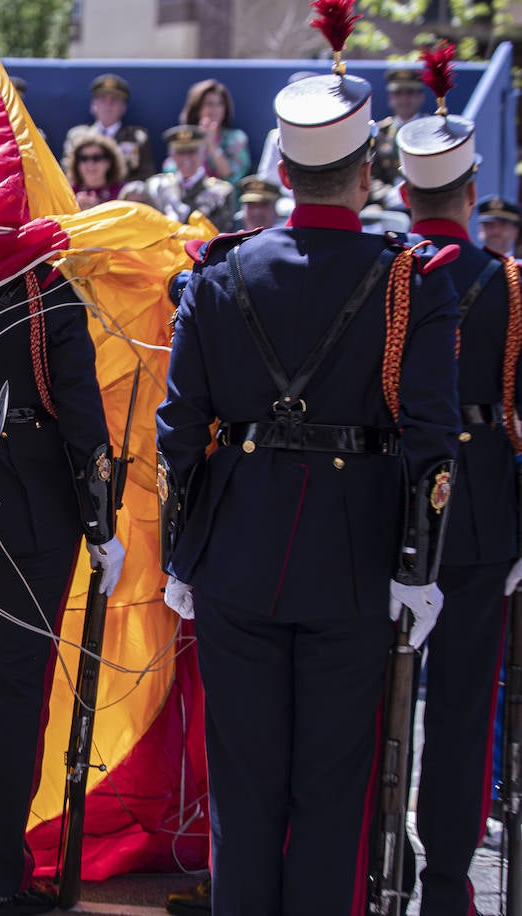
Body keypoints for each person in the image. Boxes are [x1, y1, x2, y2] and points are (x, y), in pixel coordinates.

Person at [156, 42, 459, 916]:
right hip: (357, 558)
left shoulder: (217, 275)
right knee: (333, 793)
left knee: (244, 792)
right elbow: (431, 439)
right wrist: (420, 566)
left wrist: (182, 553)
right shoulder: (407, 281)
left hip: (236, 556)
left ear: (282, 169)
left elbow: (180, 432)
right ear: (367, 171)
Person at [0, 272, 124, 914]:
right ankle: (2, 880)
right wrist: (101, 524)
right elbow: (81, 412)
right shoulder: (46, 287)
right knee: (15, 692)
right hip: (34, 499)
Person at [397, 61, 522, 915]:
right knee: (464, 712)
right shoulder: (509, 286)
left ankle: (367, 867)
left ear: (404, 194)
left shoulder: (389, 274)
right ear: (472, 191)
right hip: (479, 515)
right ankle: (445, 884)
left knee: (369, 704)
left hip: (387, 503)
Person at [125, 126, 234, 232]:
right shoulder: (157, 186)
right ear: (171, 155)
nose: (186, 158)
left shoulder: (220, 191)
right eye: (180, 152)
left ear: (203, 153)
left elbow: (219, 231)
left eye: (192, 151)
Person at [61, 74, 154, 183]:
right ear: (93, 105)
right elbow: (66, 170)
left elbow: (147, 175)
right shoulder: (77, 135)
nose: (108, 104)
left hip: (121, 197)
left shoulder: (137, 137)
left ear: (124, 107)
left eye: (114, 99)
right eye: (102, 99)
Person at [163, 79, 249, 185]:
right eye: (209, 104)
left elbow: (232, 175)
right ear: (197, 108)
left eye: (220, 104)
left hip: (224, 198)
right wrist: (199, 144)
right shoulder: (184, 137)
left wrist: (211, 144)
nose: (215, 109)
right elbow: (170, 169)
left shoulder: (235, 138)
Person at [370, 67, 425, 210]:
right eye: (398, 94)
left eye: (410, 93)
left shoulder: (431, 130)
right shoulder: (380, 132)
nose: (404, 99)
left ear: (421, 97)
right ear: (390, 98)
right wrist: (386, 194)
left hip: (425, 202)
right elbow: (370, 174)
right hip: (388, 206)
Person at [63, 132, 127, 209]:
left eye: (97, 158)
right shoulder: (67, 192)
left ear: (109, 162)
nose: (90, 164)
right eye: (83, 158)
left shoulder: (124, 192)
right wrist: (74, 207)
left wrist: (98, 209)